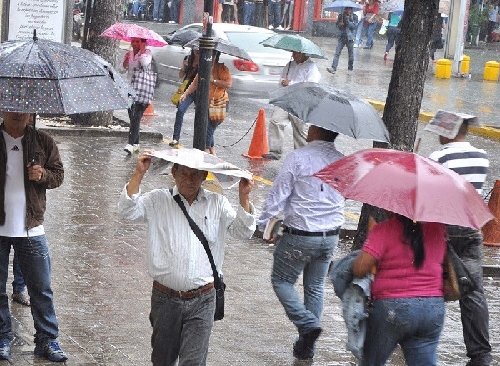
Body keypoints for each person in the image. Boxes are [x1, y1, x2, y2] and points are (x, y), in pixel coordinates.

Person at [118, 151, 256, 366]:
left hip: (204, 298)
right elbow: (127, 210)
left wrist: (244, 198)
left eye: (196, 174)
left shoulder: (217, 203)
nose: (189, 179)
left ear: (204, 177)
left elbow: (243, 231)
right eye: (184, 173)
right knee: (162, 360)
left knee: (193, 361)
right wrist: (138, 173)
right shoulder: (157, 200)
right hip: (165, 298)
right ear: (174, 172)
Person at [258, 125, 345, 360]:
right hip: (330, 237)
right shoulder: (342, 161)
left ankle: (306, 324)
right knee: (315, 288)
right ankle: (307, 347)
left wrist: (265, 224)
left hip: (300, 235)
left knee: (281, 281)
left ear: (318, 129)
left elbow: (279, 193)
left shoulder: (298, 157)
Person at [0, 112, 67, 362]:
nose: (19, 114)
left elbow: (58, 175)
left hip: (31, 227)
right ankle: (2, 337)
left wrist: (43, 175)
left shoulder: (43, 141)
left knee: (41, 288)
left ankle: (47, 340)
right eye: (13, 108)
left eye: (24, 110)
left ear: (31, 113)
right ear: (3, 109)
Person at [427, 110, 492, 366]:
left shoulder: (438, 157)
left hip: (444, 231)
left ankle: (418, 339)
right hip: (471, 229)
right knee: (473, 292)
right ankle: (481, 355)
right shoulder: (482, 156)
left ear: (448, 132)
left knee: (429, 286)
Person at [352, 213, 447, 365]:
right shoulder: (438, 229)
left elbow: (360, 269)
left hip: (392, 308)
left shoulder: (384, 229)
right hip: (432, 308)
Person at [262, 51, 321, 160]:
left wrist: (291, 83)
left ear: (303, 54)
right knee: (276, 120)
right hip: (286, 100)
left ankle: (301, 156)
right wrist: (283, 82)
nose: (293, 56)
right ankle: (275, 151)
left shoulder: (311, 67)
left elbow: (310, 85)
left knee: (299, 129)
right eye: (293, 53)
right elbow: (281, 80)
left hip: (301, 102)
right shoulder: (289, 65)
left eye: (296, 54)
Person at [179, 51, 231, 156]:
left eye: (211, 56)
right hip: (206, 104)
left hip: (219, 104)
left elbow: (228, 84)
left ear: (215, 57)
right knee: (207, 128)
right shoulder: (203, 68)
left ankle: (206, 151)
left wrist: (214, 80)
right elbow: (195, 84)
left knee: (209, 128)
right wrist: (185, 94)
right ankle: (212, 151)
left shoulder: (222, 69)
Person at [122, 37, 153, 155]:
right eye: (133, 41)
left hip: (142, 89)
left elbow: (145, 64)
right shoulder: (129, 53)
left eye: (138, 42)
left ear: (143, 43)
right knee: (132, 116)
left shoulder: (147, 53)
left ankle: (130, 144)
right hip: (129, 88)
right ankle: (136, 143)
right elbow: (122, 69)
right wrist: (125, 60)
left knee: (136, 116)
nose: (134, 44)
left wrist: (141, 51)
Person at [169, 49, 200, 148]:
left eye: (199, 50)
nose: (197, 51)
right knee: (180, 110)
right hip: (188, 91)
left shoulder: (205, 61)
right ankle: (175, 138)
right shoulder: (188, 59)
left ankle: (200, 142)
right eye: (195, 50)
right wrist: (183, 67)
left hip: (200, 92)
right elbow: (181, 75)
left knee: (200, 116)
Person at [327, 7, 358, 74]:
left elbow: (354, 26)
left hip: (350, 38)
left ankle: (350, 69)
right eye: (347, 9)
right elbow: (337, 25)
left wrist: (347, 21)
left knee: (350, 54)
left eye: (349, 9)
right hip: (341, 37)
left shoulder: (354, 17)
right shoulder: (341, 16)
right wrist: (340, 24)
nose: (348, 11)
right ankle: (333, 68)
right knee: (337, 53)